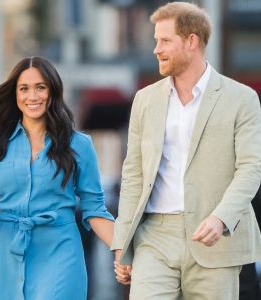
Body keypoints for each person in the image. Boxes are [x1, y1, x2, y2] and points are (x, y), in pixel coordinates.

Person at [112, 2, 261, 300]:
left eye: (165, 40)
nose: (156, 49)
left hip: (215, 239)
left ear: (192, 41)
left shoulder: (242, 98)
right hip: (153, 236)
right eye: (156, 40)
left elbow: (251, 168)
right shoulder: (144, 100)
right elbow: (133, 174)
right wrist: (121, 244)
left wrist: (221, 218)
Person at [0, 56, 114, 300]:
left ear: (52, 91)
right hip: (5, 255)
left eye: (40, 87)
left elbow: (95, 210)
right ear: (15, 94)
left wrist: (122, 249)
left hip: (60, 253)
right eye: (24, 89)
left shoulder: (79, 145)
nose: (32, 96)